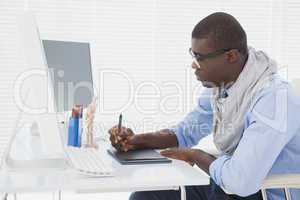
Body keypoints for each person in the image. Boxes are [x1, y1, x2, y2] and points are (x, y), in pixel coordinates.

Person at [109, 12, 300, 200]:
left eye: (200, 57)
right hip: (227, 187)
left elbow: (241, 181)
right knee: (145, 196)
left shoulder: (273, 99)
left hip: (264, 193)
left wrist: (195, 156)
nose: (194, 65)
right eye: (193, 55)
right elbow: (184, 133)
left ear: (231, 56)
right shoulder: (223, 87)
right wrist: (136, 140)